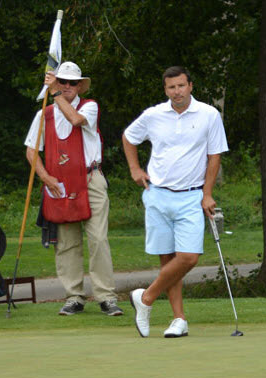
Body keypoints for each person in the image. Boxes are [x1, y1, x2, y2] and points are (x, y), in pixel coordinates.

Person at [122, 66, 228, 338]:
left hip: (192, 195)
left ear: (190, 85)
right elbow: (129, 137)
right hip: (158, 194)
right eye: (171, 87)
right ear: (165, 90)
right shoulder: (154, 115)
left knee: (188, 257)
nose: (177, 92)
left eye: (181, 86)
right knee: (167, 260)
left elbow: (214, 156)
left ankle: (145, 298)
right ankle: (178, 320)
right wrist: (135, 169)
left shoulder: (208, 115)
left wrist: (207, 193)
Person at [24, 61, 123, 317]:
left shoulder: (89, 106)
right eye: (62, 81)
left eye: (71, 82)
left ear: (79, 85)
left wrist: (54, 91)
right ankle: (74, 297)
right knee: (67, 243)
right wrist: (46, 178)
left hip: (91, 179)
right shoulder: (43, 114)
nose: (67, 86)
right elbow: (32, 150)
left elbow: (75, 119)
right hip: (60, 184)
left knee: (98, 239)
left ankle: (106, 296)